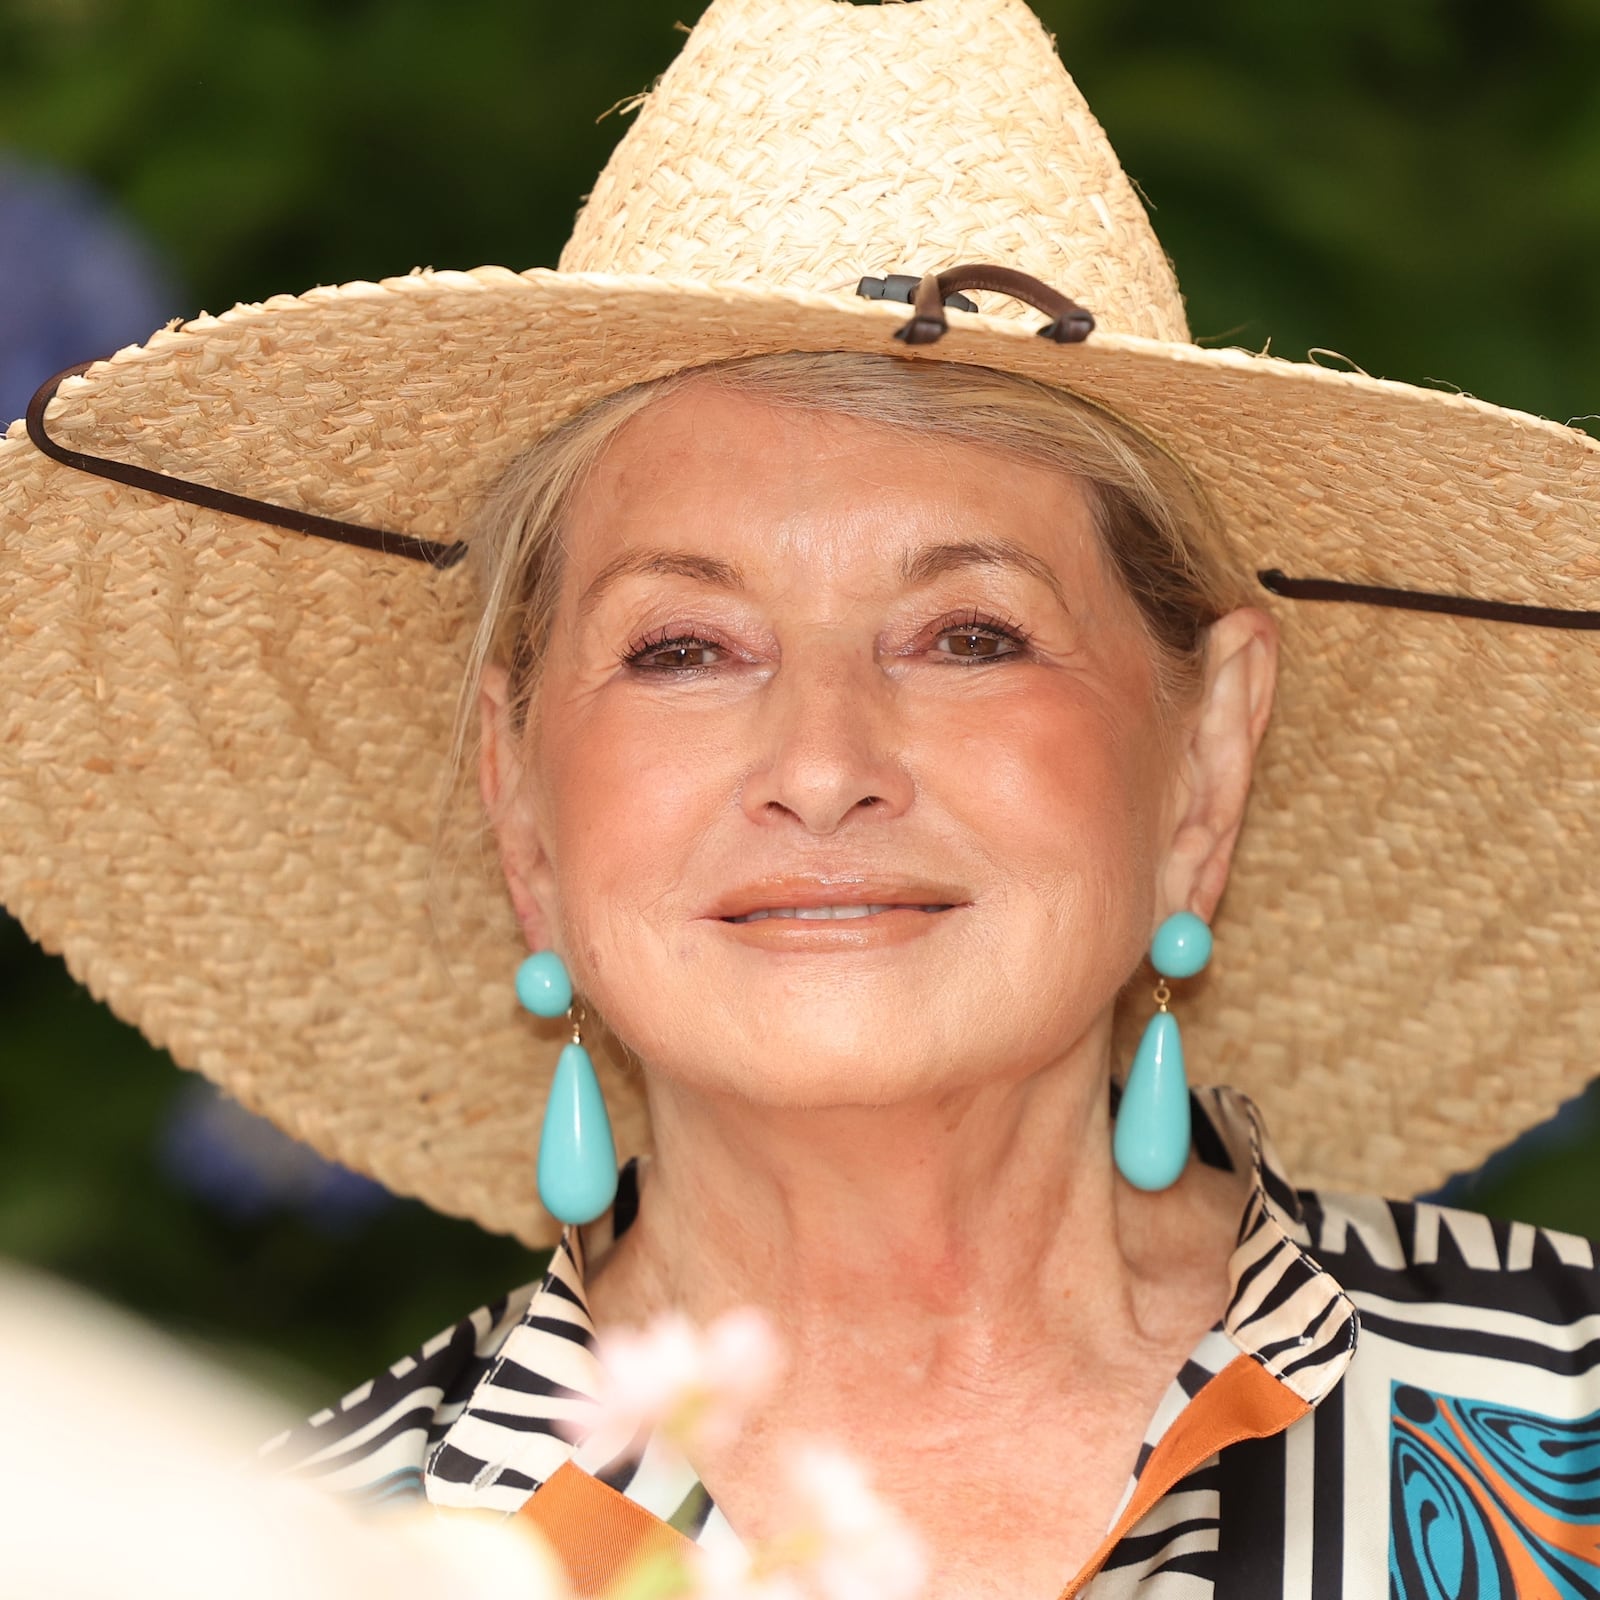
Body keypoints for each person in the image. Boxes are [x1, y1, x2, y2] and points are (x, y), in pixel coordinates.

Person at [2, 0, 1597, 1595]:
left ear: (1205, 763)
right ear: (522, 803)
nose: (825, 769)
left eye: (969, 636)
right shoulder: (308, 1564)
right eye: (684, 648)